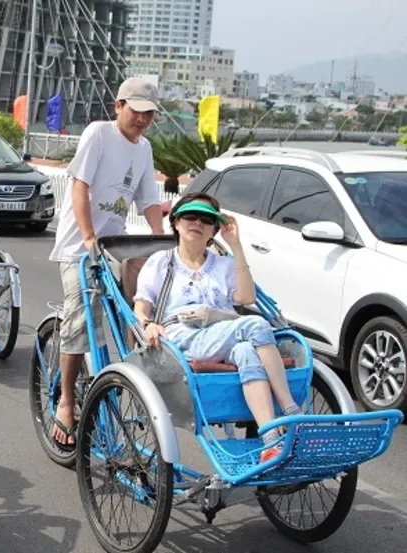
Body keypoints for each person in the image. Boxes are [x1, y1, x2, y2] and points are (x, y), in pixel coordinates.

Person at [134, 193, 301, 463]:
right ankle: (291, 410)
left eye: (206, 219)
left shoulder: (223, 266)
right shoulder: (161, 262)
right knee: (256, 325)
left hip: (224, 333)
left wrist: (236, 246)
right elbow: (141, 307)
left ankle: (270, 440)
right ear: (176, 222)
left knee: (247, 350)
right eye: (190, 216)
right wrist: (147, 323)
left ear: (214, 229)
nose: (197, 223)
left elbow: (246, 299)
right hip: (181, 338)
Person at [48, 76, 165, 448]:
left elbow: (149, 200)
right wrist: (86, 237)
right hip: (78, 247)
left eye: (149, 114)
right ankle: (66, 402)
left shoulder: (143, 149)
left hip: (113, 244)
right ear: (119, 106)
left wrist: (161, 243)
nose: (143, 120)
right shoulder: (98, 134)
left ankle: (134, 357)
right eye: (137, 111)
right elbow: (79, 186)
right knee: (82, 320)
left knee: (145, 293)